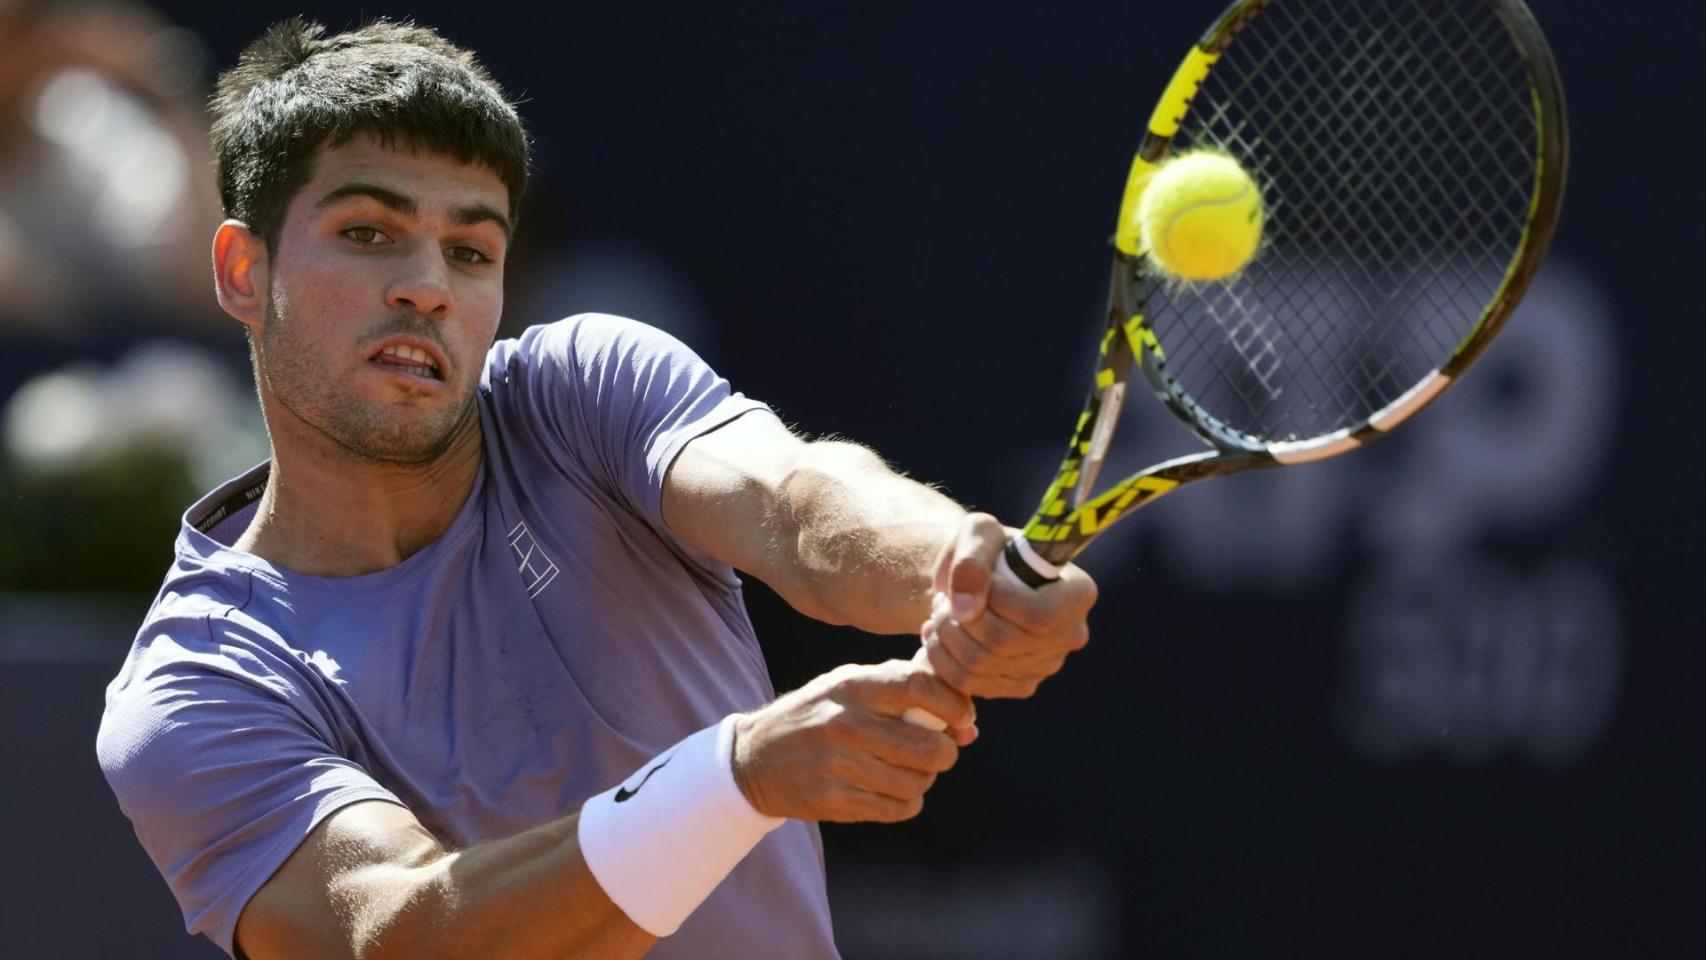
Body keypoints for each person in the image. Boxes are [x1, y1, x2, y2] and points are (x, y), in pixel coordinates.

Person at [95, 18, 1097, 960]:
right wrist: (732, 777)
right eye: (367, 233)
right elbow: (398, 932)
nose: (427, 286)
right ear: (242, 269)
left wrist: (945, 565)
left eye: (471, 251)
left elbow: (795, 500)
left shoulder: (581, 391)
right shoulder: (196, 686)